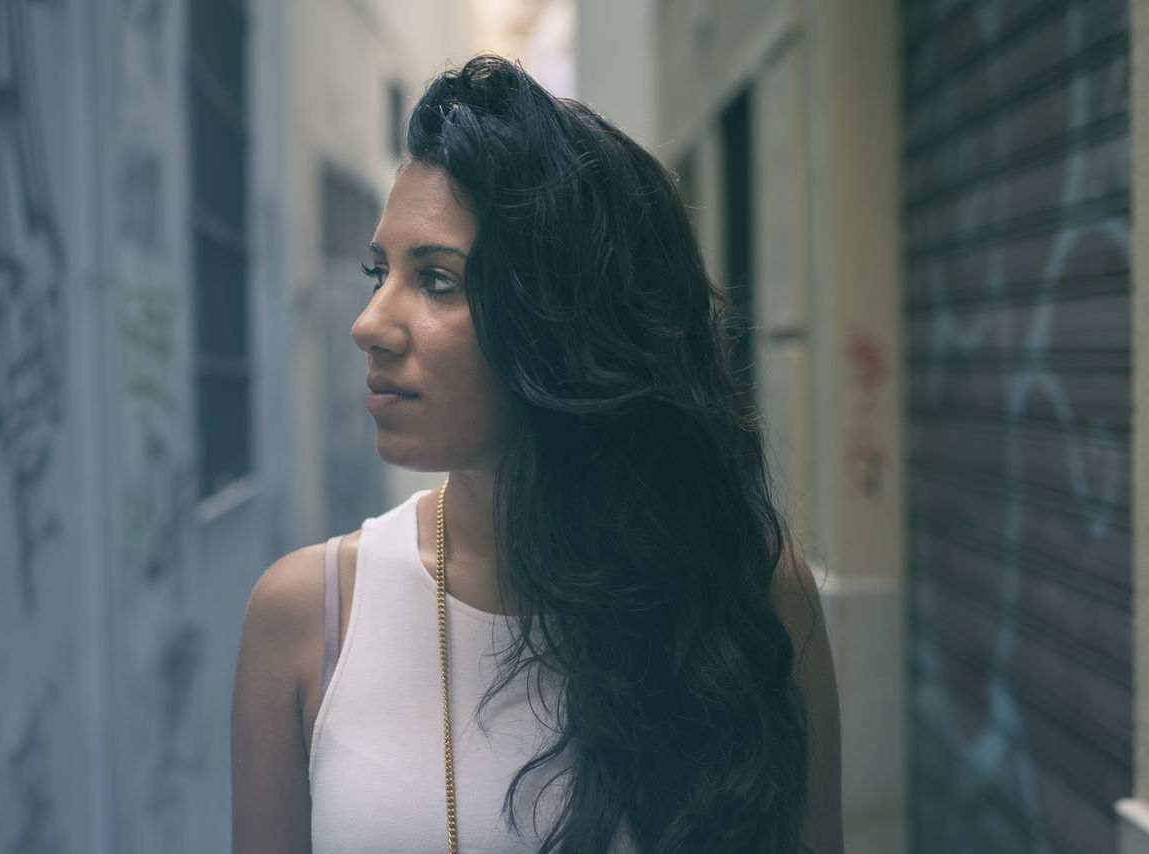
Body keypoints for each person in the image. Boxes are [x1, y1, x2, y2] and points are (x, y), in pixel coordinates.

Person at [232, 54, 842, 853]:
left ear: (561, 322)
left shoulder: (752, 595)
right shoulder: (307, 620)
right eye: (379, 272)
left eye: (438, 281)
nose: (370, 324)